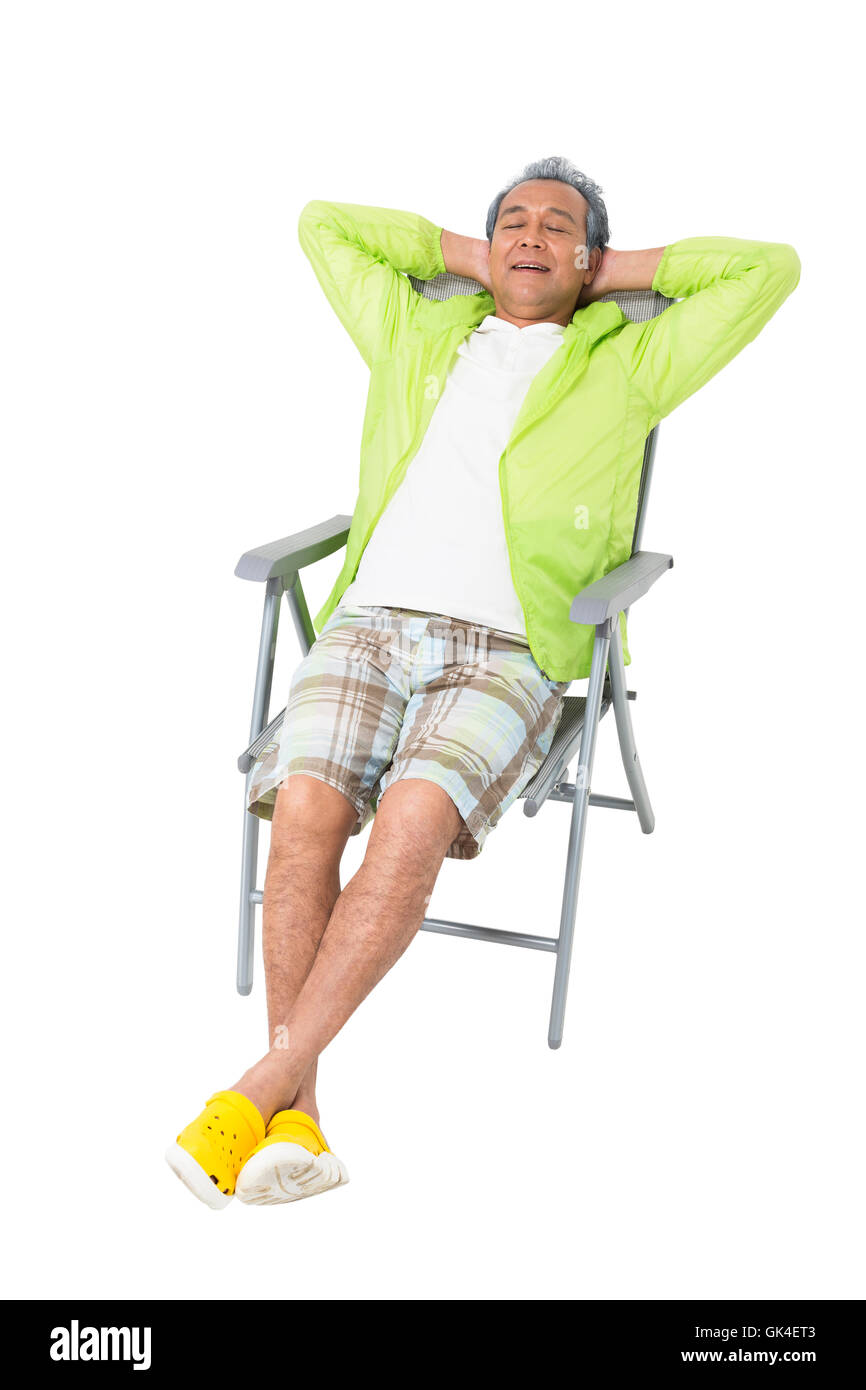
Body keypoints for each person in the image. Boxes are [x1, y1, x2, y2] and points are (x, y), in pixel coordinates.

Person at [165, 156, 800, 1208]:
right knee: (307, 816)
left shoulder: (632, 360)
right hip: (367, 627)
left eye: (558, 227)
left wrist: (606, 274)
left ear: (589, 256)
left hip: (507, 650)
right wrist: (478, 256)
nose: (531, 236)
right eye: (513, 222)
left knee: (409, 827)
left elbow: (767, 270)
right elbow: (324, 223)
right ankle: (302, 1117)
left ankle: (263, 1082)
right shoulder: (413, 333)